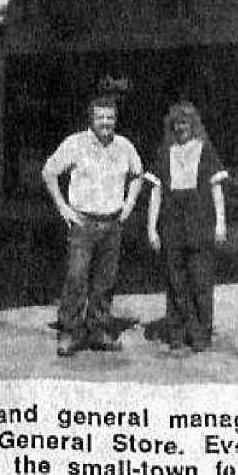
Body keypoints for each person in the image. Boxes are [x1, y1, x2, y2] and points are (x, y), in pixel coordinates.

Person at [42, 95, 144, 357]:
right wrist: (63, 208)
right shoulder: (76, 144)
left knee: (105, 281)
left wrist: (129, 205)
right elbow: (49, 172)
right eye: (100, 117)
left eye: (110, 118)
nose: (106, 123)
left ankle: (99, 330)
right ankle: (70, 332)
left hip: (112, 224)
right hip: (83, 224)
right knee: (76, 278)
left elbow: (138, 175)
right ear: (91, 118)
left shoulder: (124, 146)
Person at [145, 101, 228, 352]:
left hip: (200, 223)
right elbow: (156, 193)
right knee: (175, 280)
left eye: (186, 123)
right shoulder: (164, 152)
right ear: (172, 126)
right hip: (172, 225)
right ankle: (177, 332)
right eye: (177, 123)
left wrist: (221, 224)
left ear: (194, 125)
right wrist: (151, 227)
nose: (181, 127)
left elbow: (217, 189)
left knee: (201, 280)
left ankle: (201, 333)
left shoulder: (206, 150)